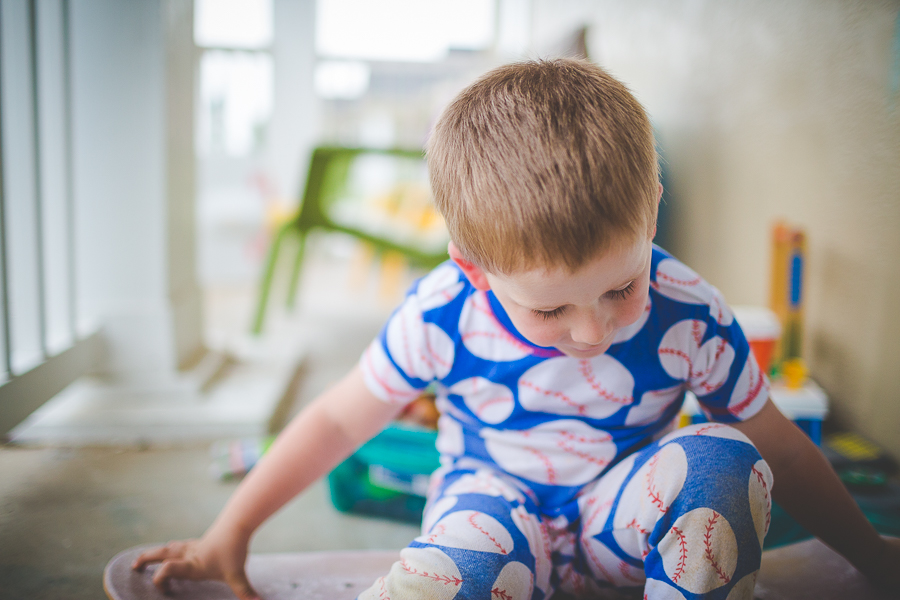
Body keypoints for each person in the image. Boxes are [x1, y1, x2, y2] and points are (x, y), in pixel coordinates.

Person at [133, 58, 899, 600]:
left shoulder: (692, 310)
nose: (593, 330)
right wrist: (229, 532)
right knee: (458, 561)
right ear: (474, 270)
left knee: (727, 458)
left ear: (653, 207)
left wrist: (871, 556)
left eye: (620, 287)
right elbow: (337, 419)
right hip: (489, 510)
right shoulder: (441, 312)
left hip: (618, 529)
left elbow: (782, 445)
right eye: (550, 308)